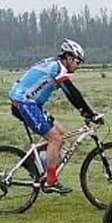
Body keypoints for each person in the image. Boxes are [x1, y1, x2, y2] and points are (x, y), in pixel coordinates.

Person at [7, 39, 101, 194]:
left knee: (61, 134)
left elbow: (72, 93)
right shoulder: (57, 68)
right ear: (69, 58)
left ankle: (34, 162)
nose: (78, 66)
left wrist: (86, 111)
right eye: (78, 62)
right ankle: (51, 180)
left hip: (31, 103)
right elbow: (71, 93)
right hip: (24, 103)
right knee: (55, 138)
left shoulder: (55, 64)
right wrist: (88, 113)